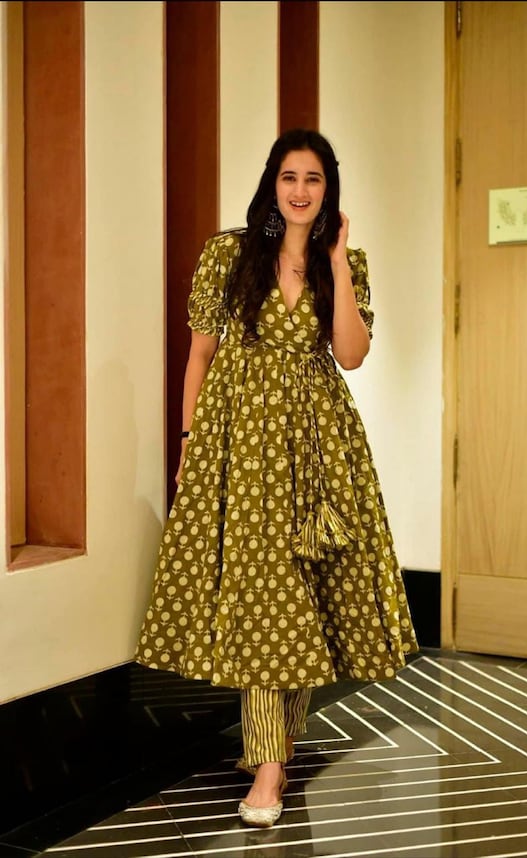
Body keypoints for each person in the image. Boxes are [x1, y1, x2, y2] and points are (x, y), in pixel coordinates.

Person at [135, 128, 418, 828]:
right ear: (272, 184)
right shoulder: (229, 255)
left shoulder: (342, 263)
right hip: (242, 445)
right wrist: (190, 440)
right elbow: (200, 356)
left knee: (303, 591)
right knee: (267, 591)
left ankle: (273, 748)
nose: (300, 190)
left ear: (328, 191)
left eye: (313, 179)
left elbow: (351, 355)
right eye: (289, 177)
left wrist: (338, 264)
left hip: (320, 449)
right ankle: (268, 766)